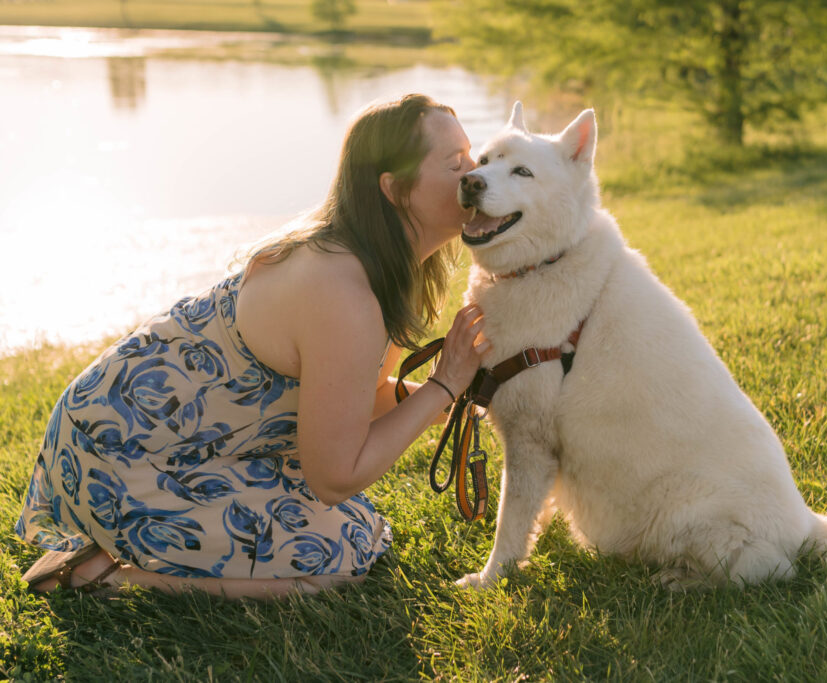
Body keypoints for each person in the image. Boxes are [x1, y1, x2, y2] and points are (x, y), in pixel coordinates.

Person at [16, 93, 490, 599]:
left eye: (473, 156)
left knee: (358, 525)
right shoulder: (345, 292)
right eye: (456, 164)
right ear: (395, 190)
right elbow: (335, 474)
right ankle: (101, 575)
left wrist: (449, 397)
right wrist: (443, 384)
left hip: (166, 437)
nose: (476, 172)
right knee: (337, 558)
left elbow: (361, 392)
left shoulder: (378, 267)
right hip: (118, 453)